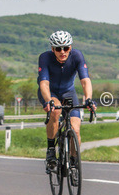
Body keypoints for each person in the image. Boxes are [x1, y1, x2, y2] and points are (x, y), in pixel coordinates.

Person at [37, 31, 95, 172]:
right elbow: (44, 83)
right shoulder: (45, 58)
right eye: (58, 48)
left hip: (69, 92)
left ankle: (73, 160)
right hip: (50, 92)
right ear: (52, 49)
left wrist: (88, 99)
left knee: (75, 129)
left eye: (66, 48)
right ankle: (51, 150)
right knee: (55, 111)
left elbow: (85, 80)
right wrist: (48, 101)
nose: (62, 52)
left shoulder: (77, 56)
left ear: (71, 47)